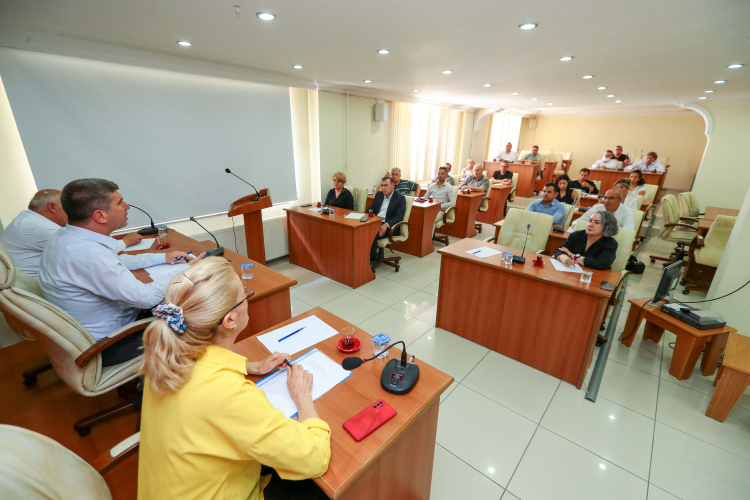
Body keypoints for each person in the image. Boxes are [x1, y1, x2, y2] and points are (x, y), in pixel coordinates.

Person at [138, 257, 330, 500]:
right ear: (230, 320)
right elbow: (315, 458)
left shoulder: (165, 358)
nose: (247, 299)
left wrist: (251, 366)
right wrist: (303, 398)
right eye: (245, 295)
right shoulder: (227, 394)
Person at [38, 179, 203, 366]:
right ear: (100, 216)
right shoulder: (90, 254)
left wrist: (163, 257)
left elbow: (115, 261)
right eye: (119, 202)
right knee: (201, 321)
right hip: (111, 344)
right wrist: (188, 270)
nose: (127, 206)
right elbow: (147, 298)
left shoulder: (66, 237)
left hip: (94, 334)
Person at [0, 189, 142, 279]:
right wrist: (126, 241)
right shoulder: (40, 228)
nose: (74, 212)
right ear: (52, 207)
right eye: (69, 207)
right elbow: (92, 253)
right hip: (44, 295)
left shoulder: (27, 219)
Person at [554, 211, 619, 270]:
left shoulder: (610, 243)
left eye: (597, 222)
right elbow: (560, 250)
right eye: (590, 221)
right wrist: (564, 258)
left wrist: (571, 255)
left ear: (607, 227)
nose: (590, 225)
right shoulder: (577, 235)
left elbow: (602, 264)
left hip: (595, 275)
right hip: (571, 271)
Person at [369, 176, 406, 271]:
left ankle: (372, 259)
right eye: (382, 185)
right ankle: (363, 256)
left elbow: (399, 217)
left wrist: (385, 225)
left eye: (386, 185)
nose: (383, 188)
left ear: (393, 186)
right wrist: (364, 217)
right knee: (361, 231)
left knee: (371, 234)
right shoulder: (379, 195)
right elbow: (371, 209)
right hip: (376, 222)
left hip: (390, 226)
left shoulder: (400, 198)